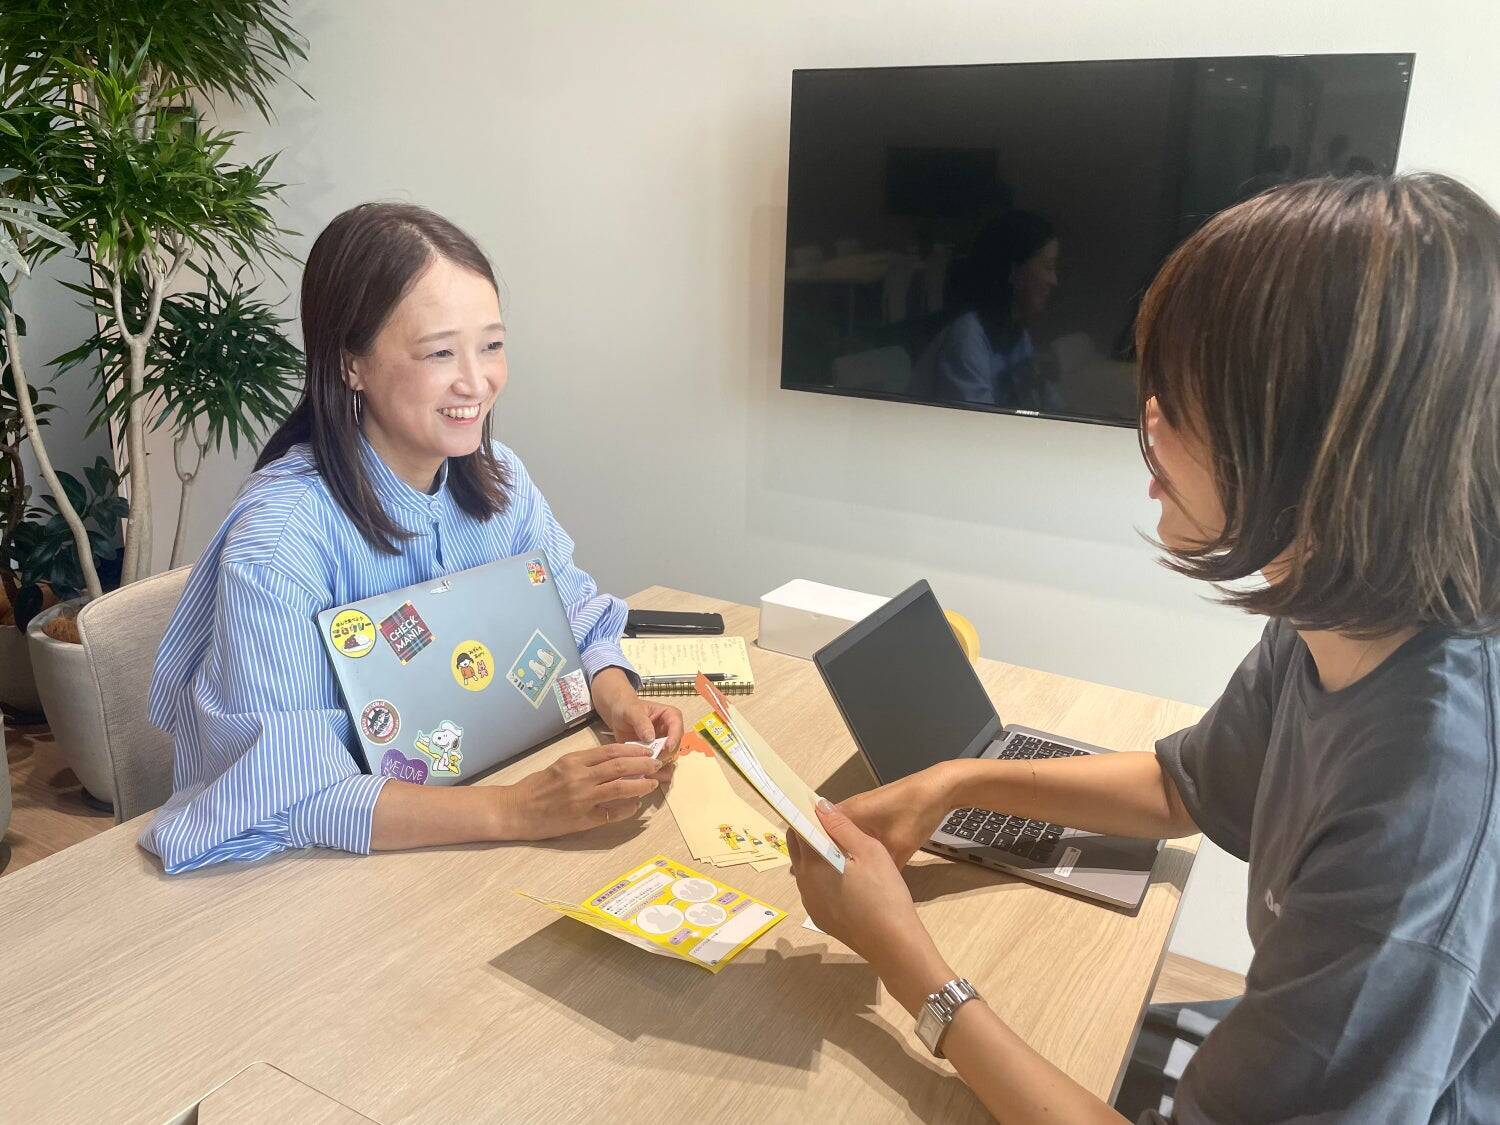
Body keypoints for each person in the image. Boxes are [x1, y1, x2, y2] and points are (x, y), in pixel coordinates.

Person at [790, 173, 1500, 1122]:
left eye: (1190, 396)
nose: (1149, 415)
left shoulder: (1422, 810)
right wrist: (956, 782)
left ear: (1323, 442)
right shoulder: (1340, 611)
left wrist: (907, 960)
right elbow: (1181, 787)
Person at [142, 203, 681, 874]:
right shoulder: (282, 538)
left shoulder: (502, 479)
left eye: (491, 345)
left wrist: (623, 704)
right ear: (352, 364)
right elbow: (290, 790)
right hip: (313, 875)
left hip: (464, 838)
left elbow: (575, 615)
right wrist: (516, 810)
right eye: (439, 352)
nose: (476, 381)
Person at [909, 210, 1060, 410]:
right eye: (1048, 267)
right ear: (1014, 271)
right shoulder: (967, 338)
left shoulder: (1016, 334)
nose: (1054, 281)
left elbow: (1044, 405)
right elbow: (976, 424)